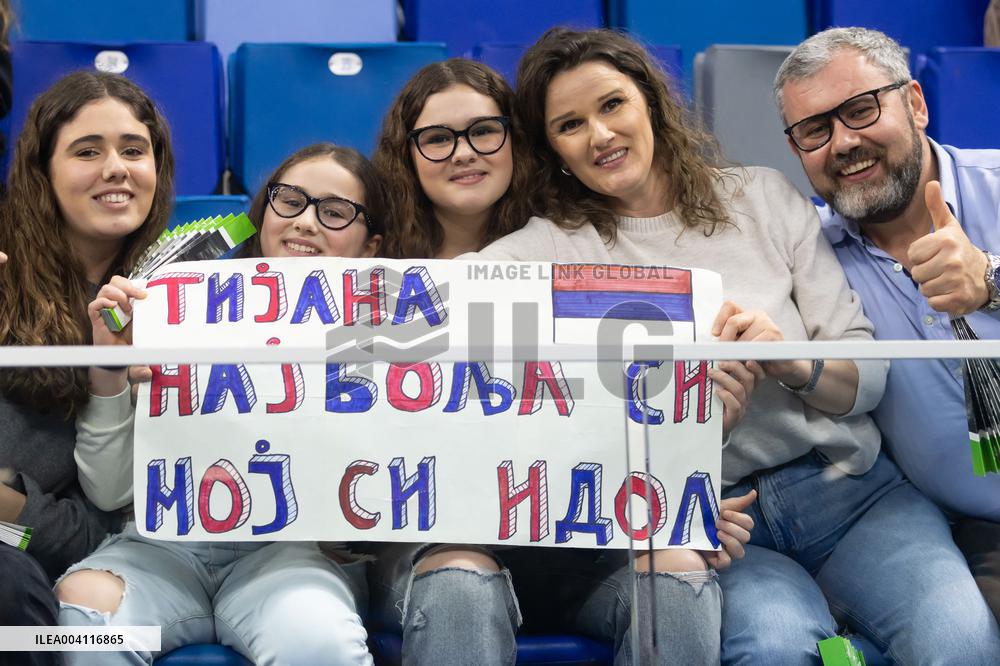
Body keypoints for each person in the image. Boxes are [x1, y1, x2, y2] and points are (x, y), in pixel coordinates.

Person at [479, 26, 1000, 664]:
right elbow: (457, 317)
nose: (600, 135)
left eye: (612, 104)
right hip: (722, 521)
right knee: (775, 650)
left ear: (650, 103)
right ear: (552, 147)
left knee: (960, 639)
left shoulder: (762, 198)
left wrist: (793, 363)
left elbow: (867, 378)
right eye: (569, 124)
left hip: (853, 495)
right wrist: (681, 454)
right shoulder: (542, 251)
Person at [368, 57, 757, 666]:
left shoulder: (589, 247)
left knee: (677, 576)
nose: (462, 152)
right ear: (407, 153)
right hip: (440, 544)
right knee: (459, 581)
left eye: (483, 131)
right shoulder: (362, 275)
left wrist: (688, 484)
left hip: (591, 546)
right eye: (437, 138)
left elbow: (629, 413)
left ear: (519, 141)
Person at [55, 143, 383, 666]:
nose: (305, 221)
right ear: (263, 214)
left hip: (290, 555)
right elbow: (109, 488)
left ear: (371, 247)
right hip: (155, 547)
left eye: (336, 211)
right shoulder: (167, 306)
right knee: (81, 625)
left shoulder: (397, 335)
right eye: (290, 200)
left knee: (320, 641)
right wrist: (108, 368)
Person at [776, 27, 1000, 625]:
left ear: (917, 104)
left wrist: (991, 280)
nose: (843, 143)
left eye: (860, 109)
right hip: (971, 533)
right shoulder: (807, 263)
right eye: (813, 131)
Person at [0, 70, 174, 666]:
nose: (116, 168)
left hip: (51, 557)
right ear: (41, 171)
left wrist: (13, 510)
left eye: (133, 150)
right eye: (86, 151)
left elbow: (106, 528)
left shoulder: (183, 300)